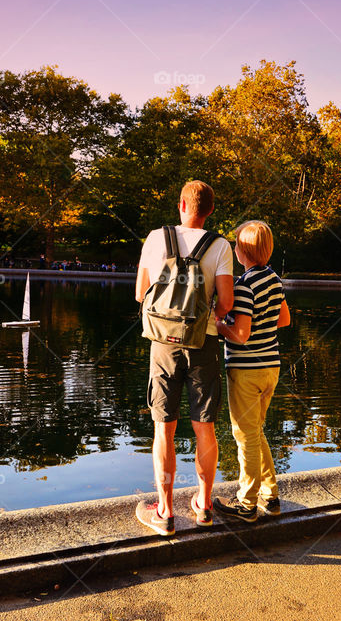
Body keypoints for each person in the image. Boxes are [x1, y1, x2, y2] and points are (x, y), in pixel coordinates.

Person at [134, 180, 234, 536]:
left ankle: (164, 512)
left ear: (181, 204)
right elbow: (225, 304)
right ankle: (204, 506)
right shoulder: (221, 245)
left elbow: (140, 294)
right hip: (203, 342)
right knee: (204, 426)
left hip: (163, 344)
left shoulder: (155, 238)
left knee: (164, 427)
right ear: (209, 211)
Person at [212, 221, 291, 523]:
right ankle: (270, 497)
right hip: (271, 366)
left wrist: (219, 326)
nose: (233, 248)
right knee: (255, 432)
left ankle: (247, 504)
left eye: (235, 244)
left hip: (246, 370)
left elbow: (241, 334)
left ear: (242, 250)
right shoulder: (273, 279)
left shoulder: (244, 285)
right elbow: (283, 320)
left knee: (244, 436)